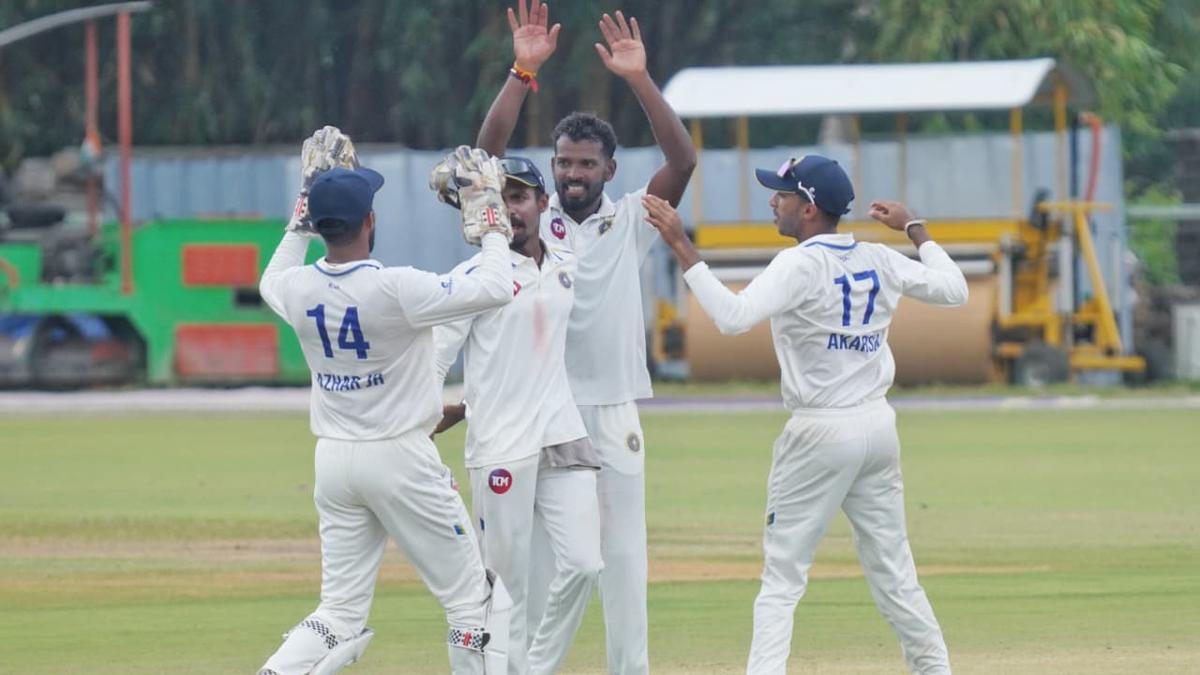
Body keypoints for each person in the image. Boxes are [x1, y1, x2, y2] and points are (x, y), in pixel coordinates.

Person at [642, 154, 965, 675]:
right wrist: (912, 226)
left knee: (782, 579)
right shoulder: (878, 258)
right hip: (877, 427)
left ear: (810, 209)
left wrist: (680, 242)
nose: (774, 200)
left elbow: (731, 318)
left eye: (784, 194)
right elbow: (955, 290)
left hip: (820, 431)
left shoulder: (800, 264)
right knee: (895, 571)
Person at [476, 4, 696, 672]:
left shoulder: (634, 217)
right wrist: (522, 72)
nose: (573, 174)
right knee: (549, 569)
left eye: (586, 165)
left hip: (612, 407)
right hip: (544, 412)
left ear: (609, 168)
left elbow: (682, 158)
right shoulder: (533, 223)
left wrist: (640, 80)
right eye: (564, 163)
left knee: (623, 565)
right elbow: (483, 157)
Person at [256, 139, 516, 675]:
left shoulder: (298, 288)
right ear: (370, 220)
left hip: (333, 461)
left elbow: (269, 279)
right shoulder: (395, 288)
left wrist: (301, 215)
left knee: (339, 612)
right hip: (400, 457)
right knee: (477, 602)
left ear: (320, 222)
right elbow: (495, 286)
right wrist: (489, 214)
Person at [432, 157, 603, 675]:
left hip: (562, 431)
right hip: (501, 445)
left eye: (519, 197)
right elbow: (434, 361)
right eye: (499, 199)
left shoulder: (565, 264)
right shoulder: (474, 279)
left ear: (542, 204)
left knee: (584, 565)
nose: (509, 209)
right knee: (504, 589)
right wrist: (426, 418)